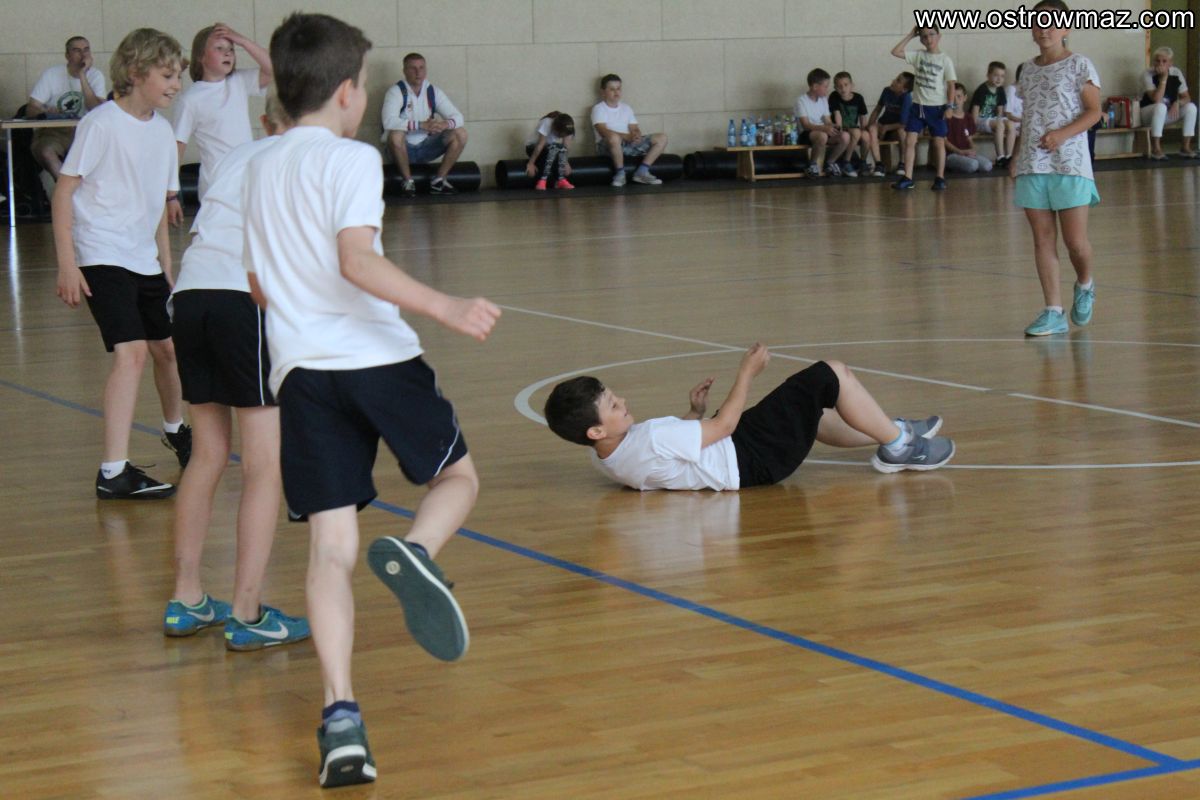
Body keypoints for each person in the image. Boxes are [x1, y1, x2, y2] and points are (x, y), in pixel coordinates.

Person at [244, 13, 501, 787]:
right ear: (349, 92)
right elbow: (356, 260)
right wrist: (444, 305)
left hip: (301, 376)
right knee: (457, 477)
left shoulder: (257, 164)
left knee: (331, 549)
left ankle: (341, 720)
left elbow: (258, 285)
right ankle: (418, 553)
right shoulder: (351, 158)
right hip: (377, 360)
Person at [163, 94, 309, 650]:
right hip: (241, 300)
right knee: (264, 463)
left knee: (208, 453)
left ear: (267, 119)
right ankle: (247, 613)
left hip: (192, 295)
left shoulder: (236, 156)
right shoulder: (307, 160)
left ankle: (187, 598)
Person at [52, 28, 191, 500]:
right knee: (131, 354)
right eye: (166, 75)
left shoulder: (163, 132)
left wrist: (166, 267)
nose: (175, 84)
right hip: (100, 253)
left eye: (177, 76)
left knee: (167, 350)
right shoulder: (101, 124)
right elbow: (64, 192)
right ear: (136, 72)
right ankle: (113, 472)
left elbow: (157, 208)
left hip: (142, 258)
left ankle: (176, 430)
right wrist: (67, 263)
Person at [544, 344, 955, 492]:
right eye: (613, 405)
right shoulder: (648, 439)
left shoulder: (605, 456)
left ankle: (893, 429)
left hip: (743, 456)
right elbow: (723, 428)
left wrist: (694, 415)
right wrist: (746, 373)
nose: (622, 401)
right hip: (749, 453)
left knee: (813, 415)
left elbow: (667, 459)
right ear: (595, 430)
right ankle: (900, 446)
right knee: (828, 374)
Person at [1009, 0, 1102, 337]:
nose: (1044, 29)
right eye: (1038, 22)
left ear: (1065, 28)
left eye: (1051, 23)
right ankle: (1053, 311)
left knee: (1075, 241)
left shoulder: (1080, 65)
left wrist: (1062, 135)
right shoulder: (1027, 70)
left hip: (1070, 164)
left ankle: (1085, 283)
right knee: (1042, 240)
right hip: (1033, 164)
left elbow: (1094, 112)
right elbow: (1028, 117)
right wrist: (1016, 156)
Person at [169, 22, 272, 221]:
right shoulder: (190, 99)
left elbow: (273, 69)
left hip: (246, 184)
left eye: (231, 49)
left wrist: (242, 41)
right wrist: (171, 194)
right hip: (217, 188)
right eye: (219, 48)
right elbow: (177, 147)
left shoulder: (238, 81)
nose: (228, 53)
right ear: (201, 57)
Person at [380, 53, 468, 196]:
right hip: (401, 149)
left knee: (460, 133)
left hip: (426, 147)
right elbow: (388, 122)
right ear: (404, 71)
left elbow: (458, 117)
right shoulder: (396, 92)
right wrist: (420, 125)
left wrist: (444, 124)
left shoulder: (433, 91)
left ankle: (439, 181)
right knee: (395, 135)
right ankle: (408, 182)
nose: (418, 72)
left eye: (421, 68)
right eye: (413, 68)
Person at [26, 36, 107, 179]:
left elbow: (96, 109)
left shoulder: (96, 75)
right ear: (67, 55)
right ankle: (66, 189)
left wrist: (82, 75)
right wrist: (45, 111)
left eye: (86, 50)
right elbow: (31, 108)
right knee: (46, 152)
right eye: (77, 50)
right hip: (54, 132)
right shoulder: (52, 74)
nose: (83, 54)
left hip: (84, 131)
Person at [891, 25, 956, 191]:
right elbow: (895, 52)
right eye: (924, 36)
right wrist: (910, 35)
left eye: (932, 34)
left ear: (939, 36)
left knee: (938, 142)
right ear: (920, 39)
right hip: (918, 107)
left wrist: (950, 106)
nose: (928, 39)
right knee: (910, 140)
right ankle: (908, 177)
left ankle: (940, 177)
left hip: (937, 108)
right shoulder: (918, 55)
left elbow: (951, 85)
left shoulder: (945, 60)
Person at [591, 73, 668, 187]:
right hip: (607, 146)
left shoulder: (626, 108)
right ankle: (620, 174)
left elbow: (634, 128)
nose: (616, 92)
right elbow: (603, 131)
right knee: (613, 138)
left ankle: (642, 172)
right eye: (612, 89)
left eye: (618, 88)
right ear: (603, 92)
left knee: (662, 138)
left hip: (627, 143)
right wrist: (625, 136)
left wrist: (636, 135)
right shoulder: (598, 108)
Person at [1139, 46, 1198, 160]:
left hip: (1167, 112)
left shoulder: (1176, 72)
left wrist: (1178, 103)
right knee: (1160, 106)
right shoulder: (1147, 74)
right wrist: (1164, 78)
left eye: (1164, 61)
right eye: (1157, 61)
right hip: (1147, 113)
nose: (1160, 64)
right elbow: (1156, 99)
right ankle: (1156, 148)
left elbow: (1187, 97)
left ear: (1171, 63)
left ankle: (1185, 147)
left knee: (1191, 107)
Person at [795, 68, 852, 177]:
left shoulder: (823, 100)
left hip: (822, 131)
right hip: (806, 134)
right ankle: (812, 164)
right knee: (822, 136)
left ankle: (830, 163)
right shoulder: (801, 101)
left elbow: (827, 121)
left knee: (845, 136)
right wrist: (824, 128)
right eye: (825, 86)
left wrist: (835, 126)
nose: (827, 89)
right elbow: (806, 125)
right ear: (815, 87)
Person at [867, 71, 914, 175]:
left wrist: (887, 128)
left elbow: (904, 123)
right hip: (883, 124)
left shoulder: (906, 98)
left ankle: (902, 163)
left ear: (904, 89)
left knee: (902, 132)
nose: (894, 81)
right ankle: (879, 164)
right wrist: (870, 125)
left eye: (898, 81)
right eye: (896, 78)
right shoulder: (886, 91)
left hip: (895, 128)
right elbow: (877, 110)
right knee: (872, 129)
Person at [830, 72, 877, 176]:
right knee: (856, 132)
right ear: (835, 88)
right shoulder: (834, 96)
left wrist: (864, 129)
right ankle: (846, 162)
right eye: (839, 86)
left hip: (854, 128)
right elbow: (837, 114)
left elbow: (862, 117)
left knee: (866, 135)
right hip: (842, 128)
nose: (843, 89)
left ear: (852, 85)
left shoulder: (858, 98)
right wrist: (840, 128)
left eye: (846, 85)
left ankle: (862, 162)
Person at [970, 61, 1012, 166]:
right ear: (988, 75)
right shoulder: (981, 90)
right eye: (996, 75)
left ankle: (1009, 156)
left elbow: (1000, 112)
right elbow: (974, 113)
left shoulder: (1000, 90)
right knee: (1000, 125)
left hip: (992, 120)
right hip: (980, 120)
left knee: (1011, 125)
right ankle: (1000, 157)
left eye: (1002, 76)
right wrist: (973, 128)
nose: (999, 79)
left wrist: (999, 121)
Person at [946, 83, 993, 173]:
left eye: (959, 96)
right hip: (951, 154)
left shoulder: (968, 117)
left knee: (988, 165)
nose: (956, 100)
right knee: (973, 165)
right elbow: (944, 141)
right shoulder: (946, 117)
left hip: (966, 153)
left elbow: (969, 139)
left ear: (965, 98)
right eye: (952, 97)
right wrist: (959, 152)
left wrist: (972, 149)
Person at [525, 111, 575, 190]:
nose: (561, 137)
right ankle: (542, 180)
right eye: (560, 135)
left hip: (549, 148)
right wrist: (531, 163)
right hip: (533, 147)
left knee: (556, 153)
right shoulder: (547, 122)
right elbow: (540, 145)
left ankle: (560, 180)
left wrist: (565, 162)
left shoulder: (569, 129)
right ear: (555, 128)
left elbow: (565, 147)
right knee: (551, 153)